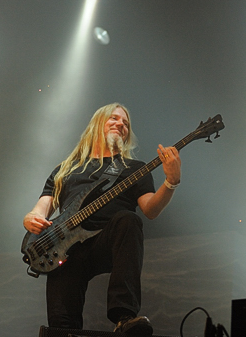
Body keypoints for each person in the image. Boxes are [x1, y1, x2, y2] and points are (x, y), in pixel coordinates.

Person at [23, 103, 181, 336]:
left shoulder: (134, 168)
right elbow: (41, 208)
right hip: (65, 247)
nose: (121, 124)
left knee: (129, 220)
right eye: (114, 119)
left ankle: (125, 316)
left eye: (126, 123)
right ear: (98, 123)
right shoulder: (66, 169)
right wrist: (31, 218)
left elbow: (150, 210)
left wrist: (171, 182)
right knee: (61, 327)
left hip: (106, 240)